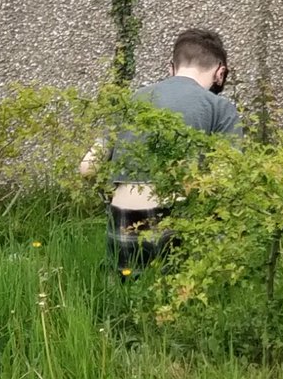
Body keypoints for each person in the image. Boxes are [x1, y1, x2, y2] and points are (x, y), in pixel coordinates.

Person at [80, 27, 242, 271]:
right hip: (179, 223)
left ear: (171, 67)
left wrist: (110, 197)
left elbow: (87, 168)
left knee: (125, 298)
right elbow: (225, 178)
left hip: (124, 221)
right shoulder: (220, 107)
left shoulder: (134, 99)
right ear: (221, 73)